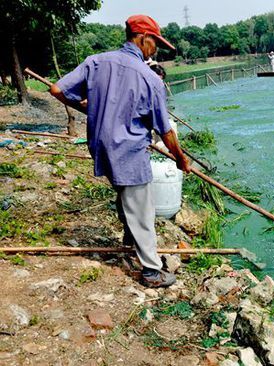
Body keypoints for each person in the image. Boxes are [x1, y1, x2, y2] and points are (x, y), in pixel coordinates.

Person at [50, 15, 191, 288]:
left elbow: (57, 89)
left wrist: (87, 108)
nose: (156, 50)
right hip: (129, 152)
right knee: (143, 210)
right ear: (142, 39)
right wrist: (180, 159)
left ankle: (129, 237)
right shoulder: (150, 78)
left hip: (101, 147)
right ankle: (151, 272)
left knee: (125, 193)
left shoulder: (96, 61)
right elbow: (165, 130)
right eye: (155, 43)